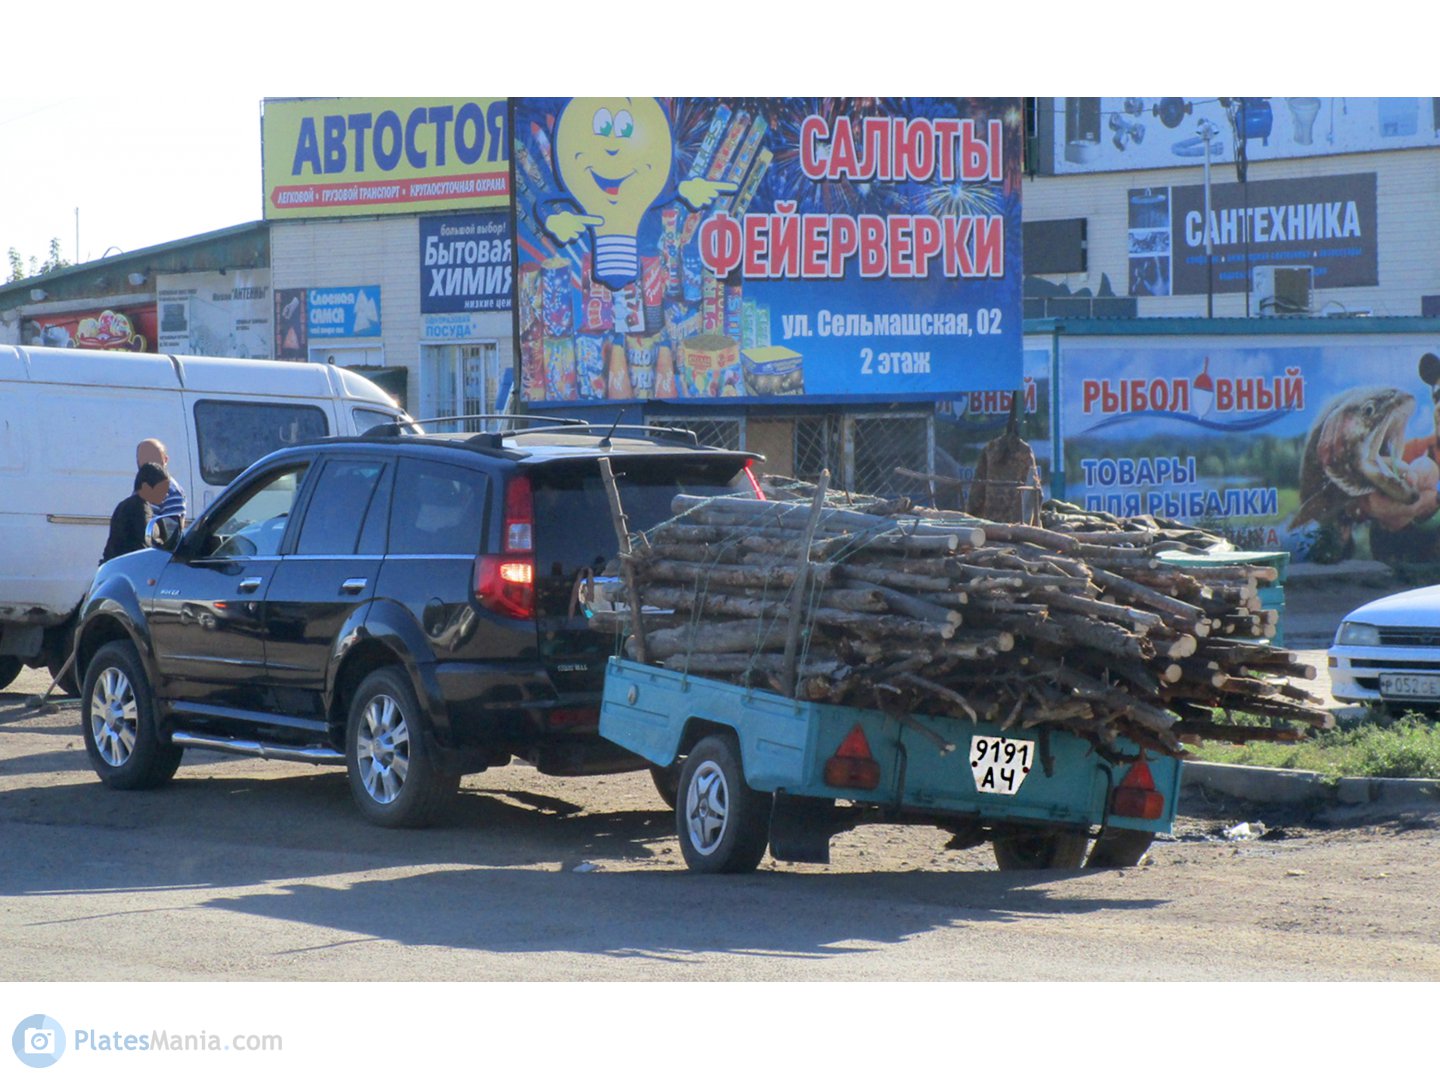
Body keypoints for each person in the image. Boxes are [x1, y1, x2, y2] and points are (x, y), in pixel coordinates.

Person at [102, 463, 170, 563]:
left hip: (116, 566)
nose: (166, 494)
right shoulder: (140, 508)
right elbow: (146, 544)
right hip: (130, 568)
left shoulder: (125, 505)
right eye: (161, 490)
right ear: (146, 487)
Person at [135, 438, 187, 529]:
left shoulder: (172, 491)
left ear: (165, 460)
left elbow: (172, 532)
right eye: (144, 457)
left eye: (153, 457)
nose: (149, 463)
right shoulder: (142, 485)